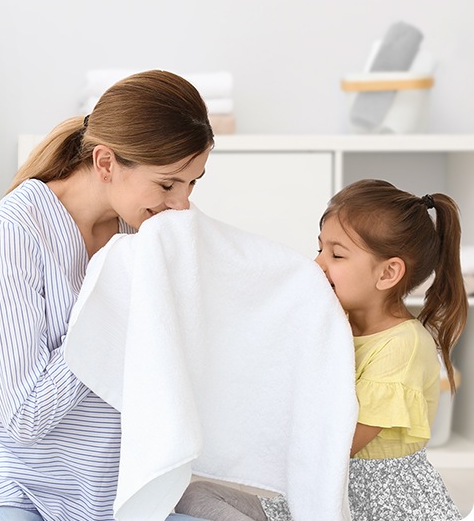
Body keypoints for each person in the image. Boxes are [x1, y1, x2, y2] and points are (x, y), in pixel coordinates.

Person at [0, 70, 215, 521]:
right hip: (0, 484)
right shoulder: (13, 234)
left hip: (104, 497)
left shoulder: (146, 229)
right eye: (168, 184)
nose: (182, 204)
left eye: (193, 183)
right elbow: (24, 415)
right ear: (106, 163)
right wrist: (113, 302)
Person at [175, 179, 467, 521]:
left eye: (337, 254)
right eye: (319, 249)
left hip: (376, 507)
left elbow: (337, 445)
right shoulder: (335, 324)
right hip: (324, 491)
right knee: (195, 495)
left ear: (388, 273)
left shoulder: (403, 345)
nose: (317, 264)